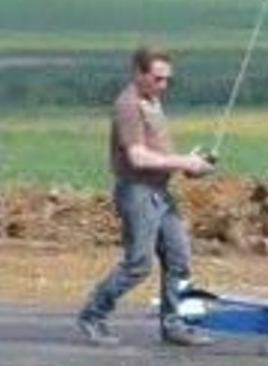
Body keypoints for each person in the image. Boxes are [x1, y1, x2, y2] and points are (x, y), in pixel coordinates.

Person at [77, 46, 215, 347]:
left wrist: (190, 163)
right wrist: (184, 163)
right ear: (138, 73)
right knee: (138, 264)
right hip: (137, 192)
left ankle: (174, 324)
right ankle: (93, 314)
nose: (163, 86)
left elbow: (157, 152)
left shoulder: (151, 100)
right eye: (157, 78)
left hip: (160, 191)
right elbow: (138, 157)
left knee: (179, 257)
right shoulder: (129, 105)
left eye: (167, 80)